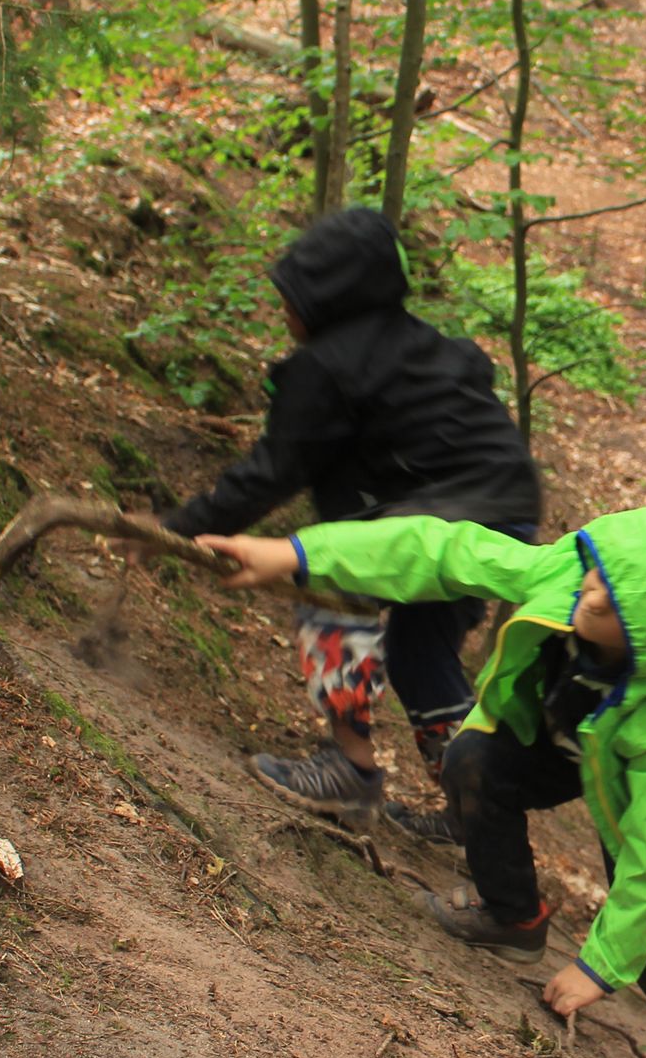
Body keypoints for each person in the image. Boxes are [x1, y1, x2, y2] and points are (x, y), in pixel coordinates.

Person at [198, 503, 646, 1058]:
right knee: (474, 760)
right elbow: (435, 550)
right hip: (571, 737)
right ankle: (513, 916)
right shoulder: (566, 577)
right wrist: (294, 554)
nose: (589, 587)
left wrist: (598, 968)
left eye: (611, 593)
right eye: (595, 572)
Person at [155, 207, 540, 837]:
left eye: (293, 300)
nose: (285, 314)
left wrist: (179, 528)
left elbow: (272, 472)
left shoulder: (327, 368)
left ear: (330, 296)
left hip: (448, 515)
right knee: (420, 651)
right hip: (508, 514)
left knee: (329, 580)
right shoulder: (421, 347)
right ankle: (481, 811)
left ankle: (351, 769)